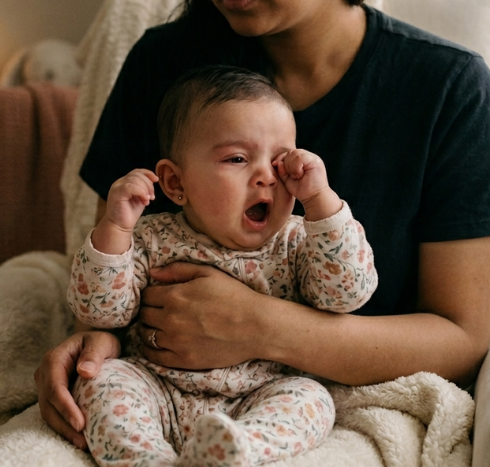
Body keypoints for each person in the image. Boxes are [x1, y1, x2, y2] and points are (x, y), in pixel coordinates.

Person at [35, 0, 490, 452]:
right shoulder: (162, 65)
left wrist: (261, 326)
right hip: (157, 383)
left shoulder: (449, 87)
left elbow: (462, 337)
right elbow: (111, 265)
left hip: (290, 392)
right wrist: (94, 346)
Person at [68, 65, 377, 466]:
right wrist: (114, 229)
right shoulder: (150, 237)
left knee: (311, 400)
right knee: (102, 383)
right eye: (237, 158)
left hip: (259, 393)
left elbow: (347, 293)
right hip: (156, 385)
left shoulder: (300, 239)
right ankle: (148, 460)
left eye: (282, 161)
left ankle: (238, 451)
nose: (266, 176)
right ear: (176, 184)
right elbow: (101, 311)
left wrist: (322, 202)